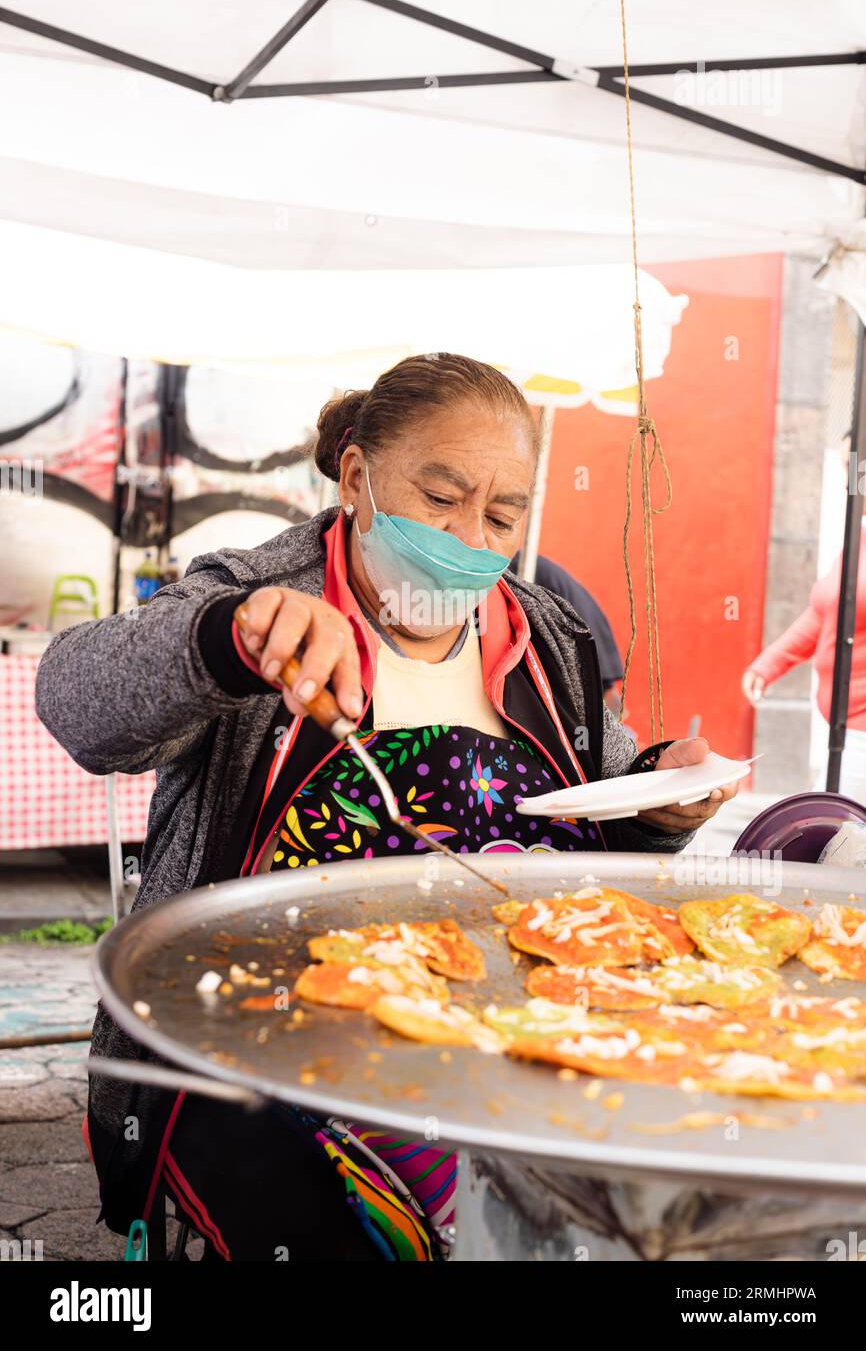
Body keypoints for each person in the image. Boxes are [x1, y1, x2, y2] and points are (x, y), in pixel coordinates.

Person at [37, 352, 739, 1261]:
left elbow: (597, 801)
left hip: (518, 1019)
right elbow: (75, 700)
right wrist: (226, 640)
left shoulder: (542, 634)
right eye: (441, 497)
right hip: (275, 1037)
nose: (471, 539)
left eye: (502, 512)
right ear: (358, 475)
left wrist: (661, 801)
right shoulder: (262, 594)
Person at [743, 518, 866, 806]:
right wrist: (770, 663)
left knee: (831, 830)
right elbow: (826, 609)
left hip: (861, 730)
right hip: (845, 727)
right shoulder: (859, 531)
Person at [508, 551, 624, 711]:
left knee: (598, 717)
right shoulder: (524, 564)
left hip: (580, 645)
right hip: (586, 641)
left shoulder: (517, 568)